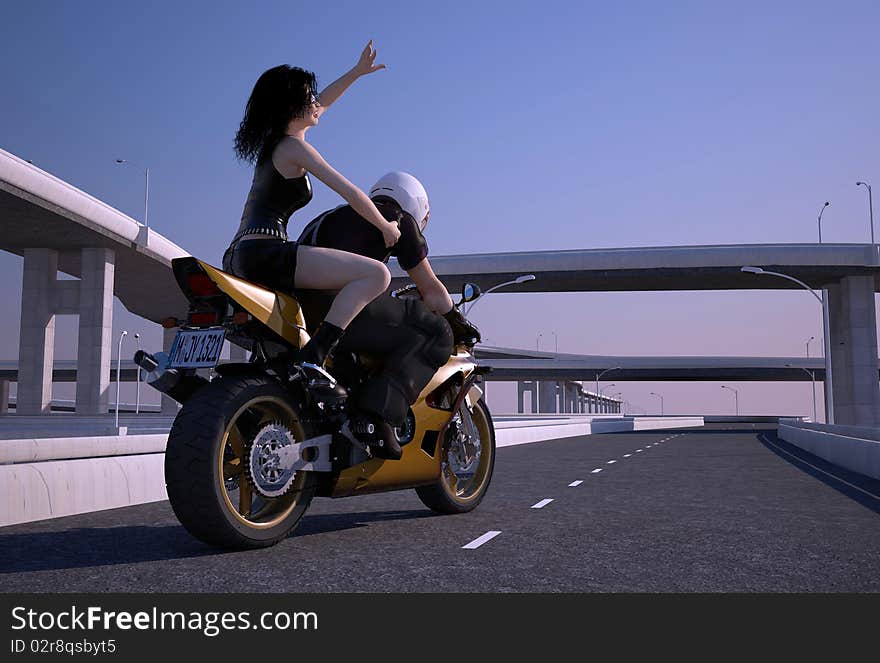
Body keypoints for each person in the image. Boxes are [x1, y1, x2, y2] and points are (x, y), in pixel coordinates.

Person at [222, 41, 401, 372]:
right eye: (308, 98)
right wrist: (386, 227)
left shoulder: (275, 144)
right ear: (291, 108)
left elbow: (324, 104)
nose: (315, 103)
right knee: (377, 274)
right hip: (267, 254)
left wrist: (357, 73)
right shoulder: (294, 148)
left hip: (239, 254)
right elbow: (350, 192)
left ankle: (281, 363)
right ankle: (315, 357)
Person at [296, 171, 481, 459]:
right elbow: (432, 292)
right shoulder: (398, 219)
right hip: (340, 309)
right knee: (435, 332)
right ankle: (378, 417)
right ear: (417, 207)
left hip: (304, 313)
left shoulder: (327, 218)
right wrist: (460, 324)